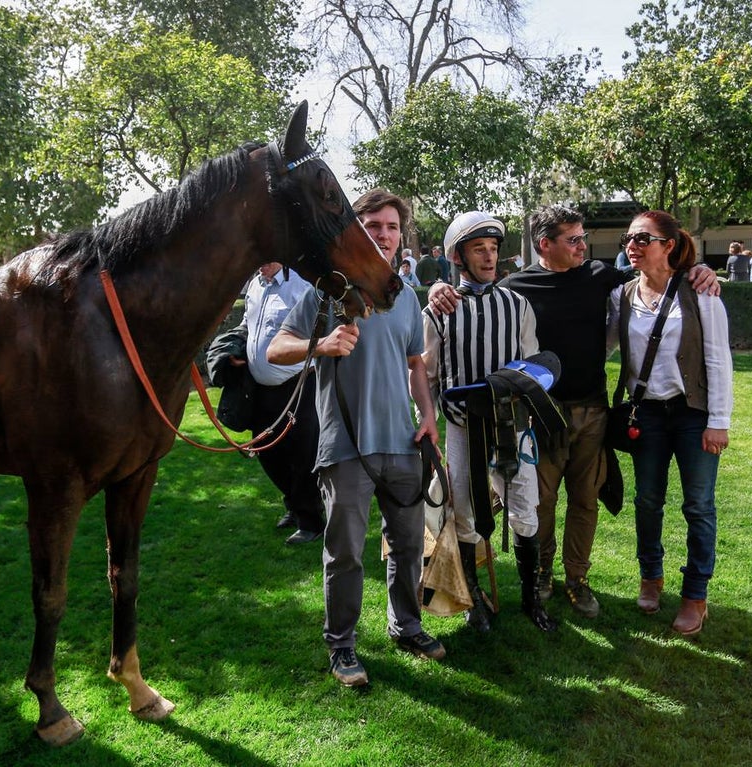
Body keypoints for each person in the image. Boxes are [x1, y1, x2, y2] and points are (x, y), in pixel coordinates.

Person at [425, 205, 719, 620]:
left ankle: (577, 579)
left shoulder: (598, 276)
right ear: (545, 244)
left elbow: (657, 271)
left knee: (585, 500)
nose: (584, 246)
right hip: (541, 413)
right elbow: (473, 293)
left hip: (593, 409)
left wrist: (697, 268)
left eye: (583, 238)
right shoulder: (517, 285)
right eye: (574, 240)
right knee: (539, 501)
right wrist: (440, 284)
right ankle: (541, 575)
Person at [268, 188, 445, 688]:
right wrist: (319, 344)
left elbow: (416, 367)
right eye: (373, 226)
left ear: (400, 235)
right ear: (357, 233)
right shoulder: (326, 292)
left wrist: (428, 417)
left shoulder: (406, 297)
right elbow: (276, 348)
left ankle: (406, 626)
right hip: (345, 444)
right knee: (344, 552)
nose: (383, 235)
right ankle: (341, 645)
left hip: (403, 443)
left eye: (391, 227)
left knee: (408, 544)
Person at [422, 211, 557, 633]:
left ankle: (531, 600)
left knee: (526, 510)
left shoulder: (517, 306)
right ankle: (474, 598)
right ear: (458, 257)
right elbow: (425, 376)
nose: (489, 256)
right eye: (479, 249)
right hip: (463, 429)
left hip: (513, 426)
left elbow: (533, 366)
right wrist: (426, 423)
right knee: (464, 511)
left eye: (494, 248)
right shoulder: (438, 312)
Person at [609, 210, 732, 636]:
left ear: (670, 245)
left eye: (644, 238)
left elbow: (718, 360)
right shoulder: (620, 296)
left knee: (698, 505)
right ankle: (651, 575)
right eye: (629, 238)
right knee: (647, 501)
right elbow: (599, 345)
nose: (633, 245)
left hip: (693, 414)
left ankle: (695, 595)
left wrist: (719, 421)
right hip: (646, 414)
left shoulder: (701, 292)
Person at [233, 262, 326, 545]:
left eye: (266, 256)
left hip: (299, 384)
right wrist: (236, 347)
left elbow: (320, 331)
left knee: (302, 456)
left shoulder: (303, 286)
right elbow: (248, 325)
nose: (260, 263)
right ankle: (294, 505)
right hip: (261, 387)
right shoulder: (255, 286)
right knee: (266, 452)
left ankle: (311, 522)